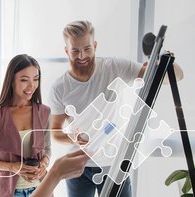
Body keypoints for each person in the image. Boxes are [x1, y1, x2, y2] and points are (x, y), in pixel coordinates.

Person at [47, 20, 183, 197]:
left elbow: (172, 77)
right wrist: (73, 137)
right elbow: (55, 131)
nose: (81, 56)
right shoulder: (59, 88)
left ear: (95, 46)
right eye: (75, 50)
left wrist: (165, 62)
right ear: (67, 51)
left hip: (114, 164)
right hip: (78, 167)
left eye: (87, 49)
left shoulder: (114, 67)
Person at [0, 54, 52, 197]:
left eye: (36, 79)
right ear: (12, 81)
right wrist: (13, 167)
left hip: (41, 188)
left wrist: (43, 164)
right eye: (24, 80)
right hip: (10, 192)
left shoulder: (44, 112)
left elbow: (47, 149)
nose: (31, 85)